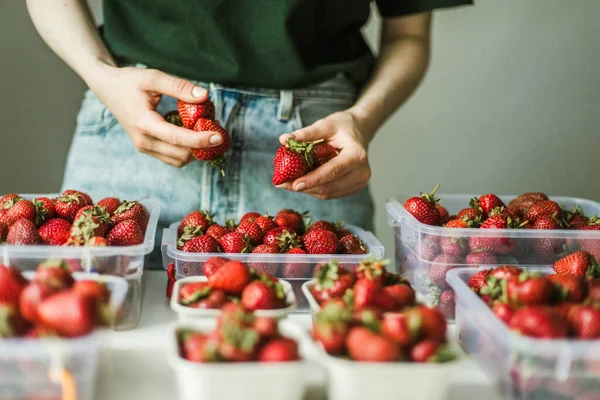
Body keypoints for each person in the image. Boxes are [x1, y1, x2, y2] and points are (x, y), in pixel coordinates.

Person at [26, 0, 470, 256]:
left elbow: (408, 36)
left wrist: (362, 119)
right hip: (136, 119)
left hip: (312, 143)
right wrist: (100, 74)